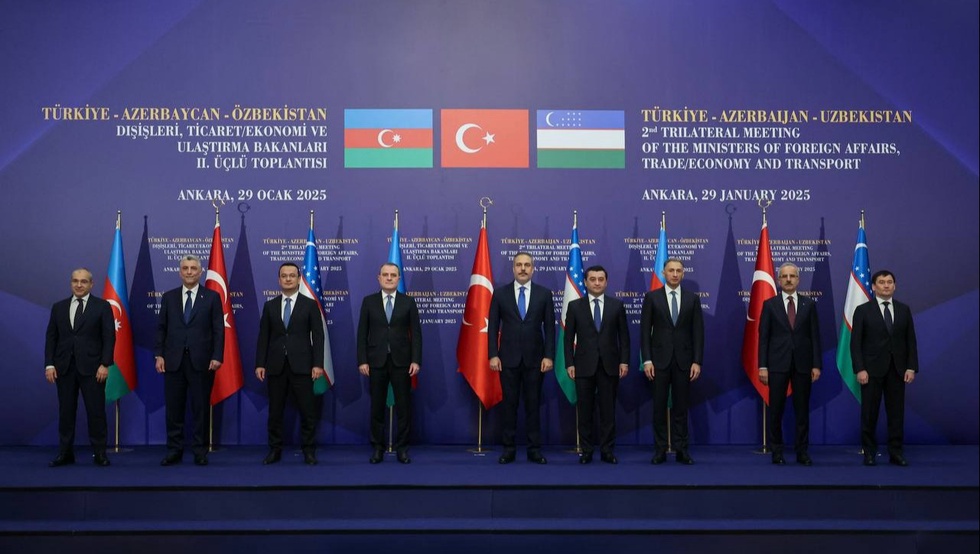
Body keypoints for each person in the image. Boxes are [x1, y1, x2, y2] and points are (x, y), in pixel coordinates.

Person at [155, 254, 224, 466]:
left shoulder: (211, 297)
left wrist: (217, 356)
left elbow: (218, 330)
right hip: (173, 361)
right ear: (180, 272)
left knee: (200, 408)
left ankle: (200, 451)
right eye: (185, 268)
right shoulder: (169, 297)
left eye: (193, 268)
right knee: (174, 409)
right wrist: (159, 354)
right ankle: (174, 450)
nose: (189, 272)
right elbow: (161, 328)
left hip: (202, 361)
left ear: (200, 272)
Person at [488, 252, 556, 465]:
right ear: (513, 268)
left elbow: (550, 329)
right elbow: (492, 327)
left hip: (535, 360)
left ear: (533, 269)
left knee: (533, 406)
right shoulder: (500, 294)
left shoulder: (544, 294)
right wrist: (493, 355)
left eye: (527, 265)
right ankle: (508, 449)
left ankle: (534, 450)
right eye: (519, 265)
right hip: (507, 359)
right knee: (509, 406)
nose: (523, 269)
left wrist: (549, 356)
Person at [255, 262, 325, 466]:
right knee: (275, 412)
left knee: (307, 411)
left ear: (298, 279)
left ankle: (309, 451)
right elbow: (263, 337)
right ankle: (274, 450)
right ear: (279, 280)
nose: (288, 279)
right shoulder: (270, 305)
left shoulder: (309, 304)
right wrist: (260, 363)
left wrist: (318, 364)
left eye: (292, 276)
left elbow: (318, 337)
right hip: (276, 366)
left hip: (303, 366)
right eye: (284, 276)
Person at [43, 268, 115, 467]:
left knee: (96, 412)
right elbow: (51, 338)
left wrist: (105, 364)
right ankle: (65, 453)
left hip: (93, 369)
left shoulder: (102, 306)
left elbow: (109, 337)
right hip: (64, 368)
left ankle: (100, 453)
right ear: (71, 283)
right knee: (66, 413)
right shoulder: (58, 307)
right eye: (75, 281)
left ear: (91, 284)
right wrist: (49, 364)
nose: (79, 285)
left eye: (83, 281)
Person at [850, 270, 918, 467]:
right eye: (881, 282)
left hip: (897, 370)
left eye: (889, 282)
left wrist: (911, 367)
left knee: (896, 414)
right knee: (869, 413)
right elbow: (855, 344)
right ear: (873, 287)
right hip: (870, 371)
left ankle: (896, 452)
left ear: (894, 286)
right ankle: (869, 453)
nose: (886, 285)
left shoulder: (904, 309)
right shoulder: (863, 310)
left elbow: (910, 341)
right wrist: (860, 369)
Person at [563, 265, 630, 464]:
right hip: (583, 365)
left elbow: (624, 338)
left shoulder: (616, 306)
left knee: (608, 411)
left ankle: (607, 451)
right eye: (593, 279)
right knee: (585, 411)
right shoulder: (575, 306)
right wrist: (569, 363)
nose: (597, 283)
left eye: (601, 279)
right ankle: (587, 451)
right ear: (585, 282)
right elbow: (568, 339)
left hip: (610, 365)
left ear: (606, 282)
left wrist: (624, 361)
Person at [640, 259, 703, 465]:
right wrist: (647, 360)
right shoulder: (652, 297)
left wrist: (697, 361)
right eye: (671, 271)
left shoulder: (692, 299)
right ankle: (660, 450)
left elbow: (698, 332)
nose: (675, 274)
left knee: (681, 408)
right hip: (658, 362)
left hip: (684, 362)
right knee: (659, 408)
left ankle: (681, 450)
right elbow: (644, 332)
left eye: (678, 271)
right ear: (664, 273)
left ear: (683, 274)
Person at [357, 263, 422, 464]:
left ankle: (402, 449)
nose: (389, 278)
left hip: (402, 362)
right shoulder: (369, 301)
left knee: (404, 408)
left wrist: (415, 360)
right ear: (379, 278)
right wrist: (362, 360)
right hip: (376, 362)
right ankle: (378, 448)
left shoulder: (408, 302)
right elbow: (362, 334)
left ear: (399, 279)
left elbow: (416, 334)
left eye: (393, 275)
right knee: (377, 407)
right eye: (385, 275)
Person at [758, 262, 821, 466]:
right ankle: (777, 451)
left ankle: (802, 451)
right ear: (778, 280)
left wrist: (816, 365)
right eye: (784, 276)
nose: (788, 279)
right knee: (776, 410)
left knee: (802, 411)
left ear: (798, 280)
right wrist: (762, 366)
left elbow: (815, 337)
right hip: (777, 364)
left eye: (792, 276)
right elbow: (763, 338)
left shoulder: (808, 305)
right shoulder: (770, 305)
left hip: (803, 365)